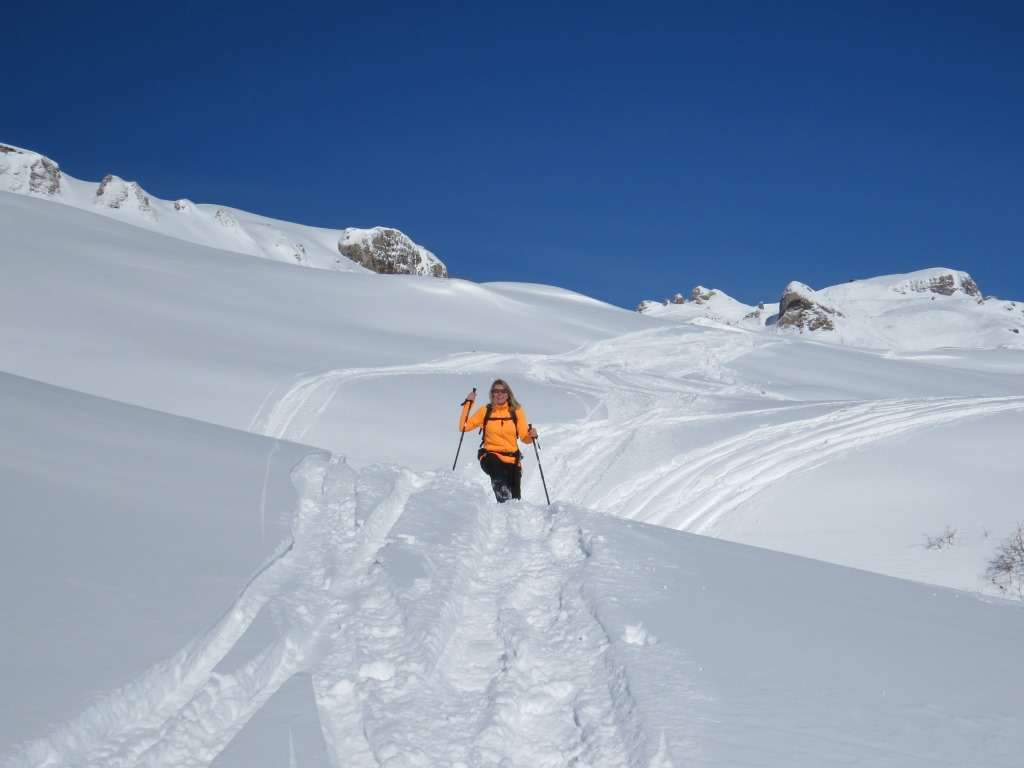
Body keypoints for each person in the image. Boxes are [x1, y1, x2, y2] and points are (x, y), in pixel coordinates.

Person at [458, 379, 539, 502]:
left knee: (515, 501)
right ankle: (503, 495)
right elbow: (464, 427)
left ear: (508, 394)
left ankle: (509, 511)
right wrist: (469, 403)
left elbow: (524, 438)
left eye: (503, 391)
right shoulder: (485, 411)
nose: (499, 394)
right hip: (491, 456)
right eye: (496, 391)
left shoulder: (516, 412)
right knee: (499, 478)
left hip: (512, 460)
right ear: (492, 393)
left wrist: (532, 436)